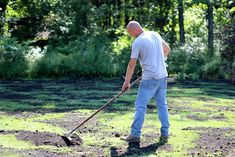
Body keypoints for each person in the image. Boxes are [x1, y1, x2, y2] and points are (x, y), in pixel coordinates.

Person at [121, 21, 171, 143]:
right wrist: (158, 61)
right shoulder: (155, 34)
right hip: (162, 76)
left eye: (130, 33)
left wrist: (126, 82)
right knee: (162, 105)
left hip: (150, 78)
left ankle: (135, 134)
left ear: (136, 29)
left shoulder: (137, 42)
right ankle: (165, 133)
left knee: (140, 106)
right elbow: (167, 49)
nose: (131, 35)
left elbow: (132, 64)